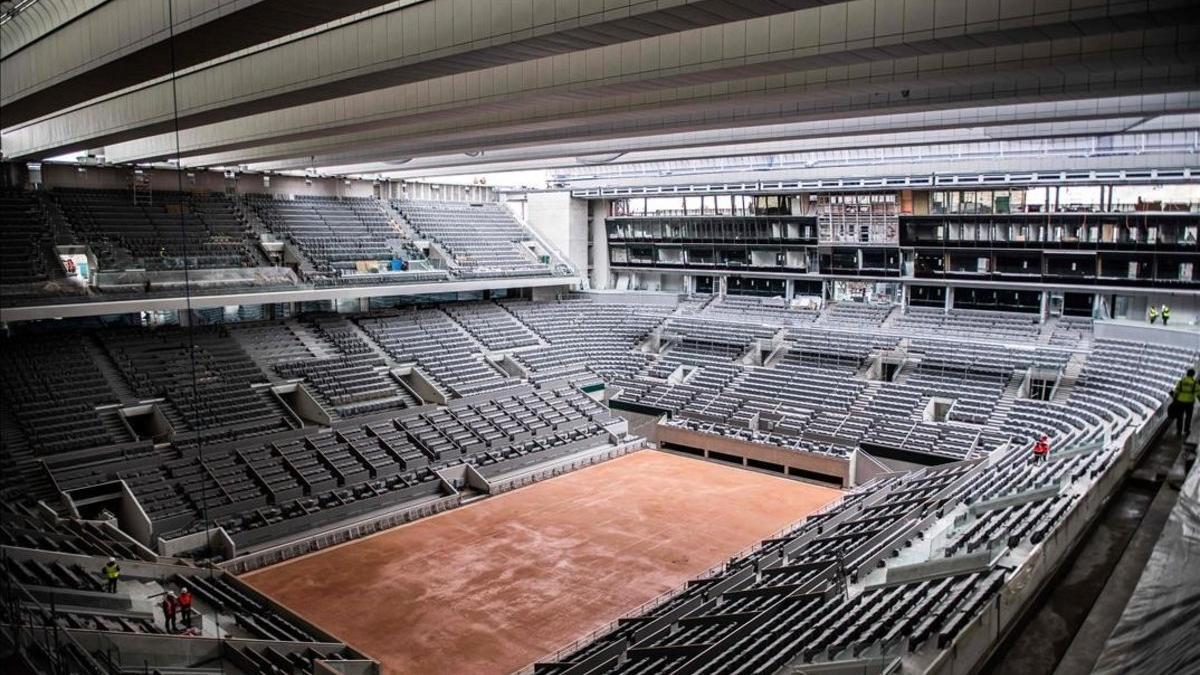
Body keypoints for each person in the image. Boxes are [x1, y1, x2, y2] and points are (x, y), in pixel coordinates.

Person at [1171, 368, 1197, 436]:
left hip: (1180, 402)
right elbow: (1198, 393)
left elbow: (1176, 391)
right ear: (1193, 375)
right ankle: (1186, 430)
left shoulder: (1181, 381)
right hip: (1189, 402)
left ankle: (1179, 431)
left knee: (1180, 417)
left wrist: (1174, 399)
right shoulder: (1194, 383)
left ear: (1187, 374)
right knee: (1188, 416)